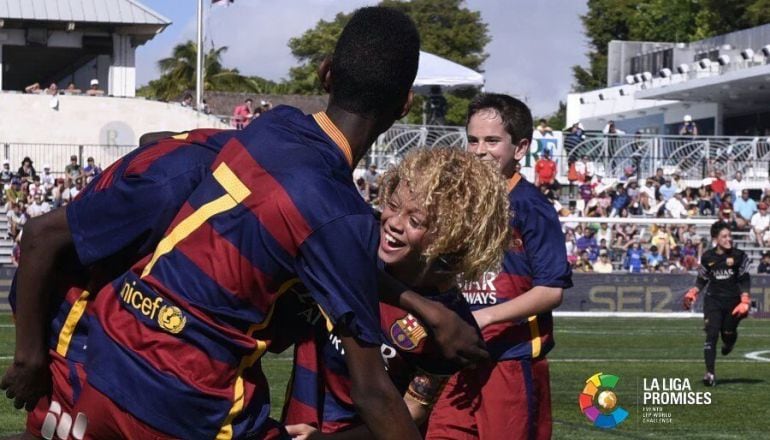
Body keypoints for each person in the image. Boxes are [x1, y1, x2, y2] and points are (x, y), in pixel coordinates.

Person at [2, 8, 483, 439]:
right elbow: (373, 394)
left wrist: (425, 309)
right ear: (404, 105)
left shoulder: (270, 129)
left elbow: (160, 138)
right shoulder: (344, 218)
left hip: (110, 360)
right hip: (189, 402)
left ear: (326, 73)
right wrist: (434, 312)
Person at [283, 148, 510, 438]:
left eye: (415, 222)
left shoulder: (453, 327)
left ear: (452, 237)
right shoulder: (360, 240)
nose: (394, 222)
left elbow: (412, 412)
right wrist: (424, 309)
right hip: (301, 418)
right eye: (392, 205)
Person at [427, 94, 572, 440]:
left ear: (520, 148)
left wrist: (487, 316)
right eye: (473, 140)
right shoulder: (458, 200)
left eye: (492, 141)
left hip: (511, 360)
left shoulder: (532, 207)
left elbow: (551, 291)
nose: (479, 150)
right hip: (461, 357)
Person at [683, 221, 751, 387]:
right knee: (711, 333)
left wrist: (745, 299)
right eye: (724, 236)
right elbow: (703, 278)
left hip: (733, 302)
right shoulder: (707, 257)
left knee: (727, 333)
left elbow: (744, 279)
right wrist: (693, 292)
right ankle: (710, 373)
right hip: (713, 300)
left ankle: (729, 342)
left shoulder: (740, 256)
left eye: (730, 236)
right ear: (715, 239)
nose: (729, 239)